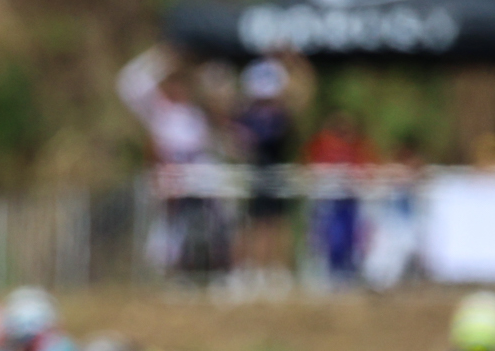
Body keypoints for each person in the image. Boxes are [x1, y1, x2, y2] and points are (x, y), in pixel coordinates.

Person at [117, 45, 227, 277]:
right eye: (173, 84)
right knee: (169, 226)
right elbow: (128, 83)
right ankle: (166, 270)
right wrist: (160, 56)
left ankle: (206, 267)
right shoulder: (159, 112)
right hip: (170, 182)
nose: (178, 89)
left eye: (181, 84)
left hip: (200, 184)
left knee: (207, 223)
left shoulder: (197, 115)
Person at [232, 57, 300, 289]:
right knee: (252, 223)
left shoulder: (281, 116)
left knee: (277, 222)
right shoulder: (247, 116)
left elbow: (300, 98)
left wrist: (294, 63)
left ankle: (276, 269)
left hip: (275, 174)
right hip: (253, 175)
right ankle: (251, 269)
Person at [305, 109, 377, 284]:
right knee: (329, 237)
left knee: (352, 237)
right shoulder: (322, 143)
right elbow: (311, 168)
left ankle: (348, 271)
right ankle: (329, 272)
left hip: (350, 199)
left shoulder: (357, 145)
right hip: (328, 200)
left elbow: (367, 169)